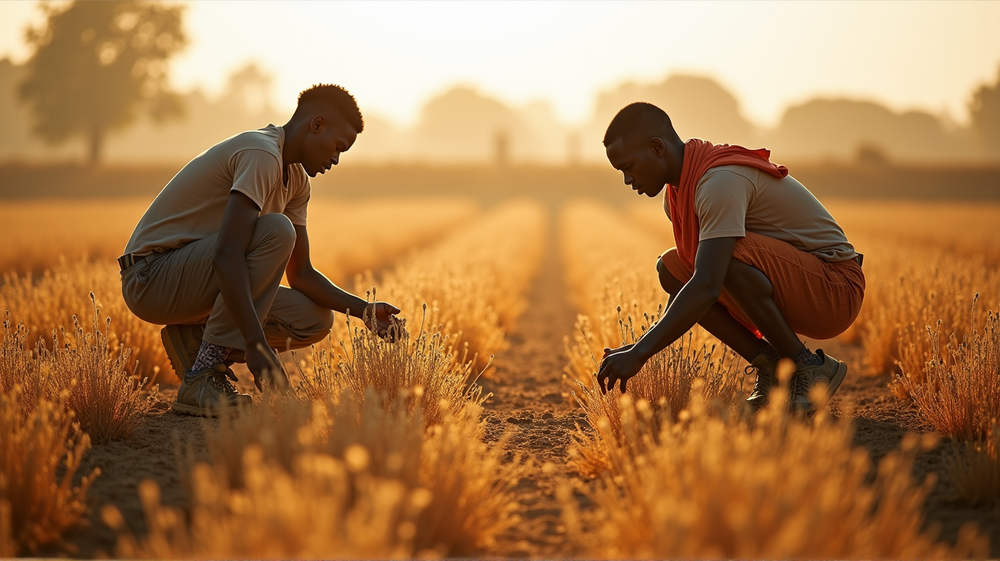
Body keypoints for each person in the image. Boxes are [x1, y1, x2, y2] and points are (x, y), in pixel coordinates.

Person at [119, 84, 400, 416]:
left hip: (193, 281)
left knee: (314, 319)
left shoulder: (297, 181)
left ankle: (195, 338)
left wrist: (365, 311)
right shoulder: (261, 154)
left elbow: (302, 274)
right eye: (338, 147)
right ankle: (202, 375)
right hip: (151, 277)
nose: (336, 159)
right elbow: (228, 254)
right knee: (277, 230)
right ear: (316, 125)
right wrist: (255, 342)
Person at [597, 102, 865, 413]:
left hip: (835, 290)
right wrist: (639, 346)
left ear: (657, 148)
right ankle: (772, 367)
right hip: (800, 285)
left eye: (628, 166)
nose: (627, 180)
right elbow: (691, 282)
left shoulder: (718, 183)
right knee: (671, 268)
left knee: (722, 256)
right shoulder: (677, 196)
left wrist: (640, 353)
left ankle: (808, 365)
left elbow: (707, 284)